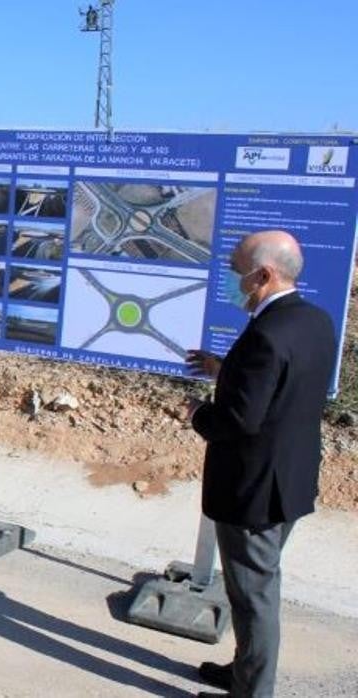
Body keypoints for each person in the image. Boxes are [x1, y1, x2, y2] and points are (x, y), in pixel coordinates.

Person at [184, 230, 335, 698]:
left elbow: (237, 420)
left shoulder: (266, 335)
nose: (232, 281)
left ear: (263, 275)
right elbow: (279, 381)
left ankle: (253, 692)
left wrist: (195, 413)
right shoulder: (312, 320)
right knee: (255, 590)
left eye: (236, 272)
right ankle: (244, 672)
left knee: (253, 598)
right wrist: (223, 368)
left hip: (253, 493)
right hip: (289, 479)